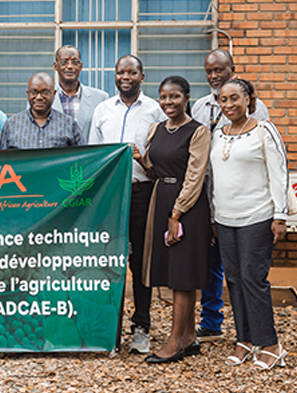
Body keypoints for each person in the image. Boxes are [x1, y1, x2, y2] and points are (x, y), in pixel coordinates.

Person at [190, 49, 270, 343]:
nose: (214, 75)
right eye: (209, 71)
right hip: (209, 197)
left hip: (245, 200)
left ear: (232, 70)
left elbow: (266, 157)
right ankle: (212, 322)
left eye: (219, 70)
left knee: (245, 270)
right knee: (212, 264)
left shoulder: (255, 109)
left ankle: (251, 331)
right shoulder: (199, 107)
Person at [211, 78, 288, 370]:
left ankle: (270, 344)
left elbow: (279, 173)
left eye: (234, 99)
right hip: (225, 219)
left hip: (257, 217)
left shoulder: (263, 130)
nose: (228, 105)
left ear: (248, 100)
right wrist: (213, 218)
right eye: (223, 100)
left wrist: (280, 215)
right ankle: (244, 340)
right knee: (233, 280)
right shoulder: (219, 133)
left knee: (253, 279)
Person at [89, 55, 164, 354]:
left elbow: (160, 157)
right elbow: (93, 156)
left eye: (132, 72)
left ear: (142, 76)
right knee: (108, 263)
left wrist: (140, 160)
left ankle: (141, 328)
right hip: (109, 197)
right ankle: (109, 328)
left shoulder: (155, 111)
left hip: (142, 193)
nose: (126, 77)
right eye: (121, 72)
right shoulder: (102, 110)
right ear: (115, 75)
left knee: (140, 263)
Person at [136, 76, 211, 364]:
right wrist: (141, 159)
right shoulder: (157, 129)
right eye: (164, 97)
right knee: (174, 271)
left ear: (187, 97)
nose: (168, 102)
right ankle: (189, 337)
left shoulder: (198, 132)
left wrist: (176, 213)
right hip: (161, 197)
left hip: (186, 206)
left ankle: (174, 342)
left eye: (175, 97)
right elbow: (156, 170)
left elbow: (195, 177)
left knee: (182, 276)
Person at [0, 72, 85, 149]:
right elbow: (2, 160)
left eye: (45, 93)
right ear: (28, 94)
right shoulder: (11, 125)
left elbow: (81, 158)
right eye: (34, 92)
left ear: (54, 94)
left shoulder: (69, 124)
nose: (39, 97)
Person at [51, 45, 109, 140]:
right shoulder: (41, 99)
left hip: (90, 155)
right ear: (56, 66)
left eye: (74, 62)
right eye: (64, 62)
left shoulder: (101, 98)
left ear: (80, 66)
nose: (70, 66)